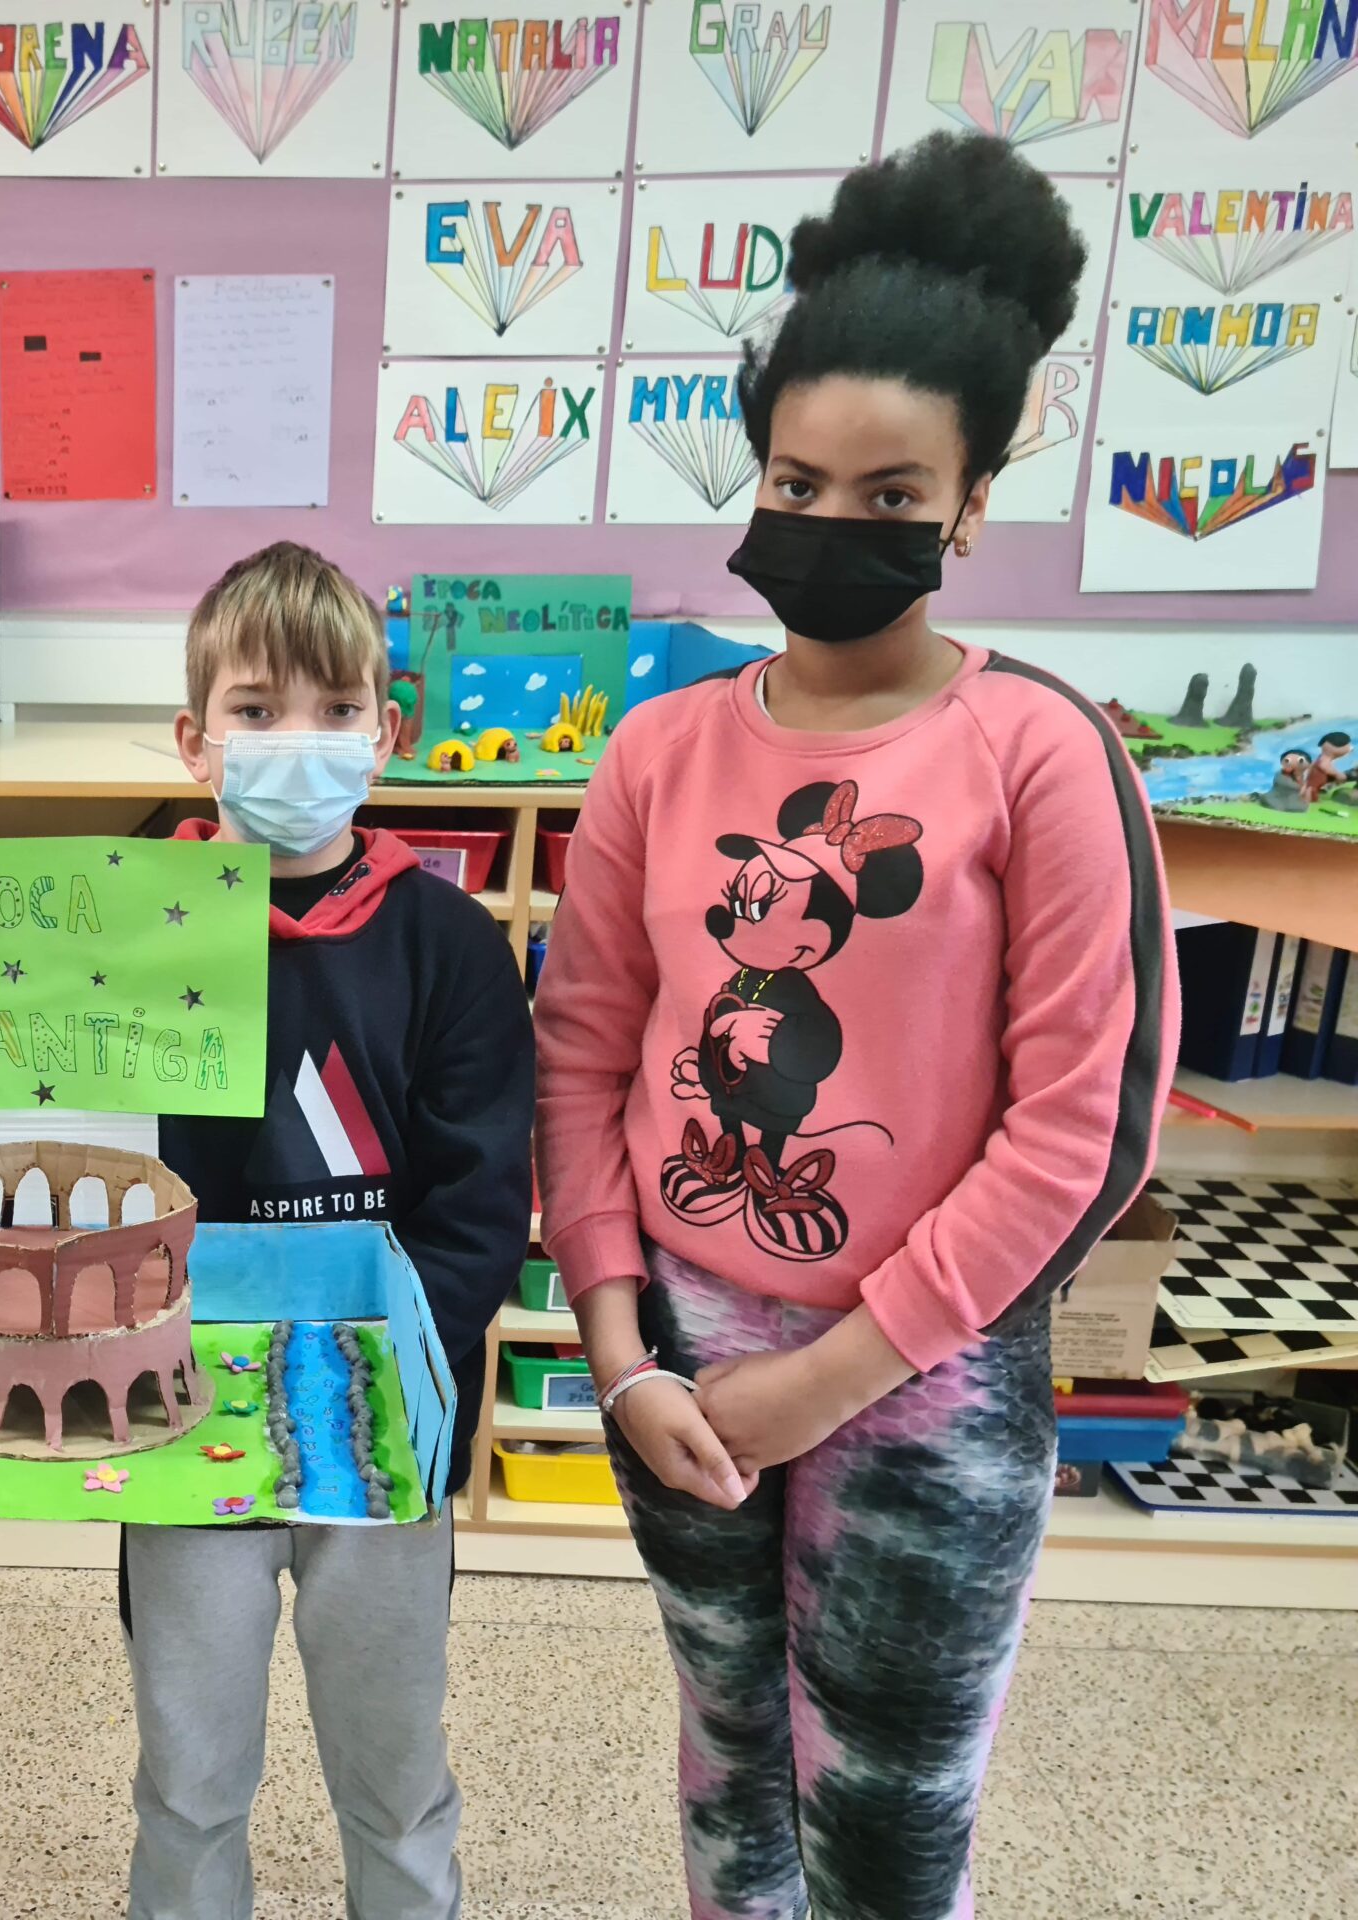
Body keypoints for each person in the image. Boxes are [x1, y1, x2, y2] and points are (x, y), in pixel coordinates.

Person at [534, 133, 1178, 1920]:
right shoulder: (659, 752)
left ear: (971, 505)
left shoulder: (1040, 754)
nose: (834, 523)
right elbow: (583, 1053)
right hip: (679, 1362)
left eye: (893, 493)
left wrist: (825, 1378)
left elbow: (1082, 1130)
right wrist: (622, 1353)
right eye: (798, 481)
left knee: (888, 1820)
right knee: (729, 1768)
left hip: (927, 1377)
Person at [123, 541, 532, 1920]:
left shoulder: (449, 944)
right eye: (255, 710)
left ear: (385, 731)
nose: (296, 739)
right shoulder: (128, 928)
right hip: (178, 1404)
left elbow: (481, 1201)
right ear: (195, 740)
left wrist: (388, 1372)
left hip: (385, 1412)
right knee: (190, 1778)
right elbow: (69, 1149)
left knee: (396, 1775)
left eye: (335, 709)